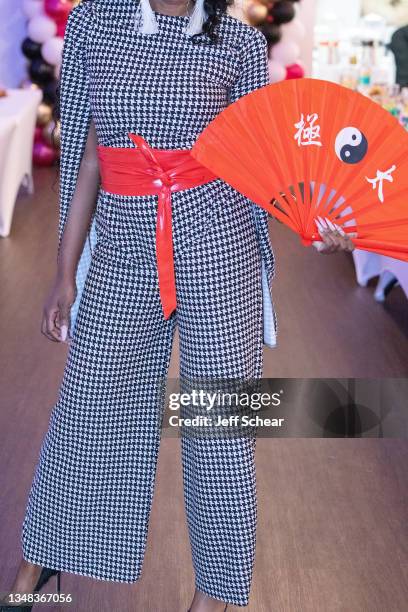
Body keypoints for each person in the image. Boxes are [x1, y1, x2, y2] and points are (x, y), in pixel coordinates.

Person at [1, 1, 355, 611]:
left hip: (221, 244)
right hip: (124, 243)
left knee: (218, 425)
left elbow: (262, 160)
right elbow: (88, 155)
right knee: (89, 403)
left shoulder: (240, 43)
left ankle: (215, 597)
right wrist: (65, 274)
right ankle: (39, 564)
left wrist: (318, 218)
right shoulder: (93, 24)